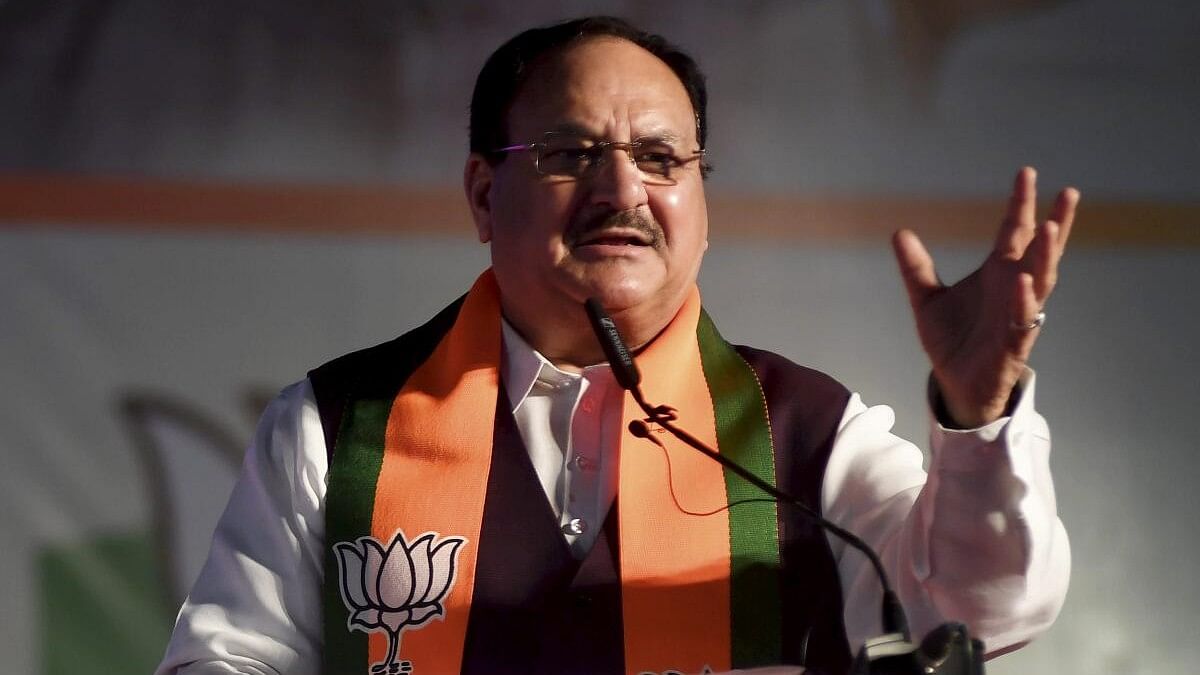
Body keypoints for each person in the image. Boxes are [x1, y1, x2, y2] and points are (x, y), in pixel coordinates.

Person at [156, 16, 1075, 675]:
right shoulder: (337, 427)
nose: (622, 188)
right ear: (483, 195)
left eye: (662, 157)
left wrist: (981, 415)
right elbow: (228, 658)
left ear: (701, 205)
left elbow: (977, 613)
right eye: (570, 153)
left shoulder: (808, 435)